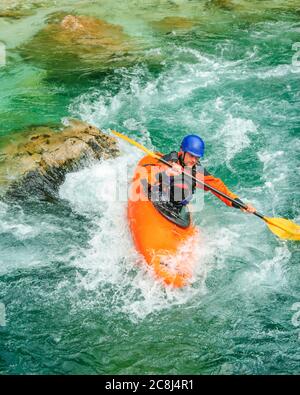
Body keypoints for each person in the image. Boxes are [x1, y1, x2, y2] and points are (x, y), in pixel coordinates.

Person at [141, 134, 256, 216]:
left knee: (184, 185)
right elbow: (149, 175)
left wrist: (241, 205)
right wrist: (166, 173)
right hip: (156, 196)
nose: (194, 160)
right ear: (182, 151)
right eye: (191, 156)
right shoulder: (169, 160)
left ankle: (174, 210)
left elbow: (219, 188)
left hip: (174, 207)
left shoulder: (198, 172)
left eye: (197, 157)